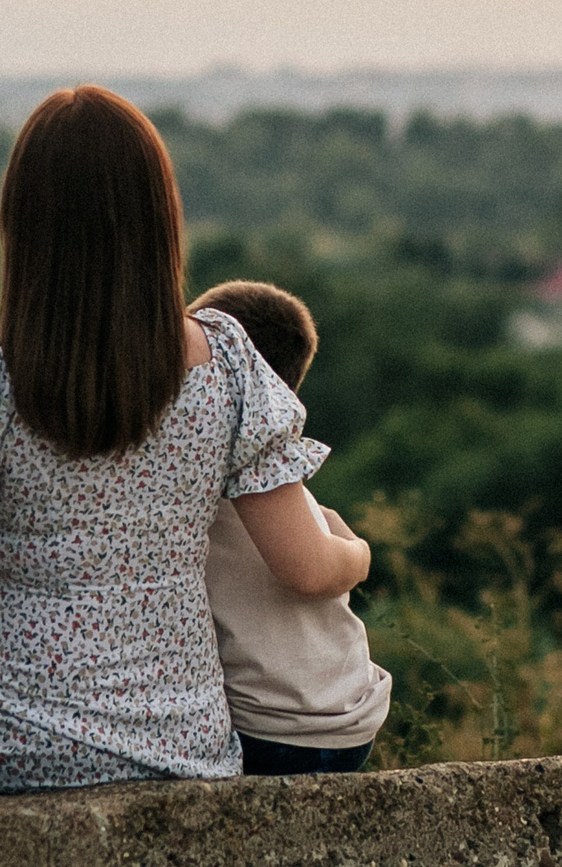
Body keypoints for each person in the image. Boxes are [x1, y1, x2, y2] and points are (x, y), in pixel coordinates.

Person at [0, 86, 372, 794]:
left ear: (22, 225)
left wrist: (38, 594)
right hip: (181, 743)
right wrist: (360, 552)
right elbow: (307, 568)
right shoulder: (229, 361)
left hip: (9, 740)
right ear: (160, 220)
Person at [191, 280, 391, 775]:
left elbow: (308, 572)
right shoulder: (285, 481)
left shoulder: (200, 470)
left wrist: (359, 554)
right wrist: (354, 546)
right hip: (350, 720)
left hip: (266, 731)